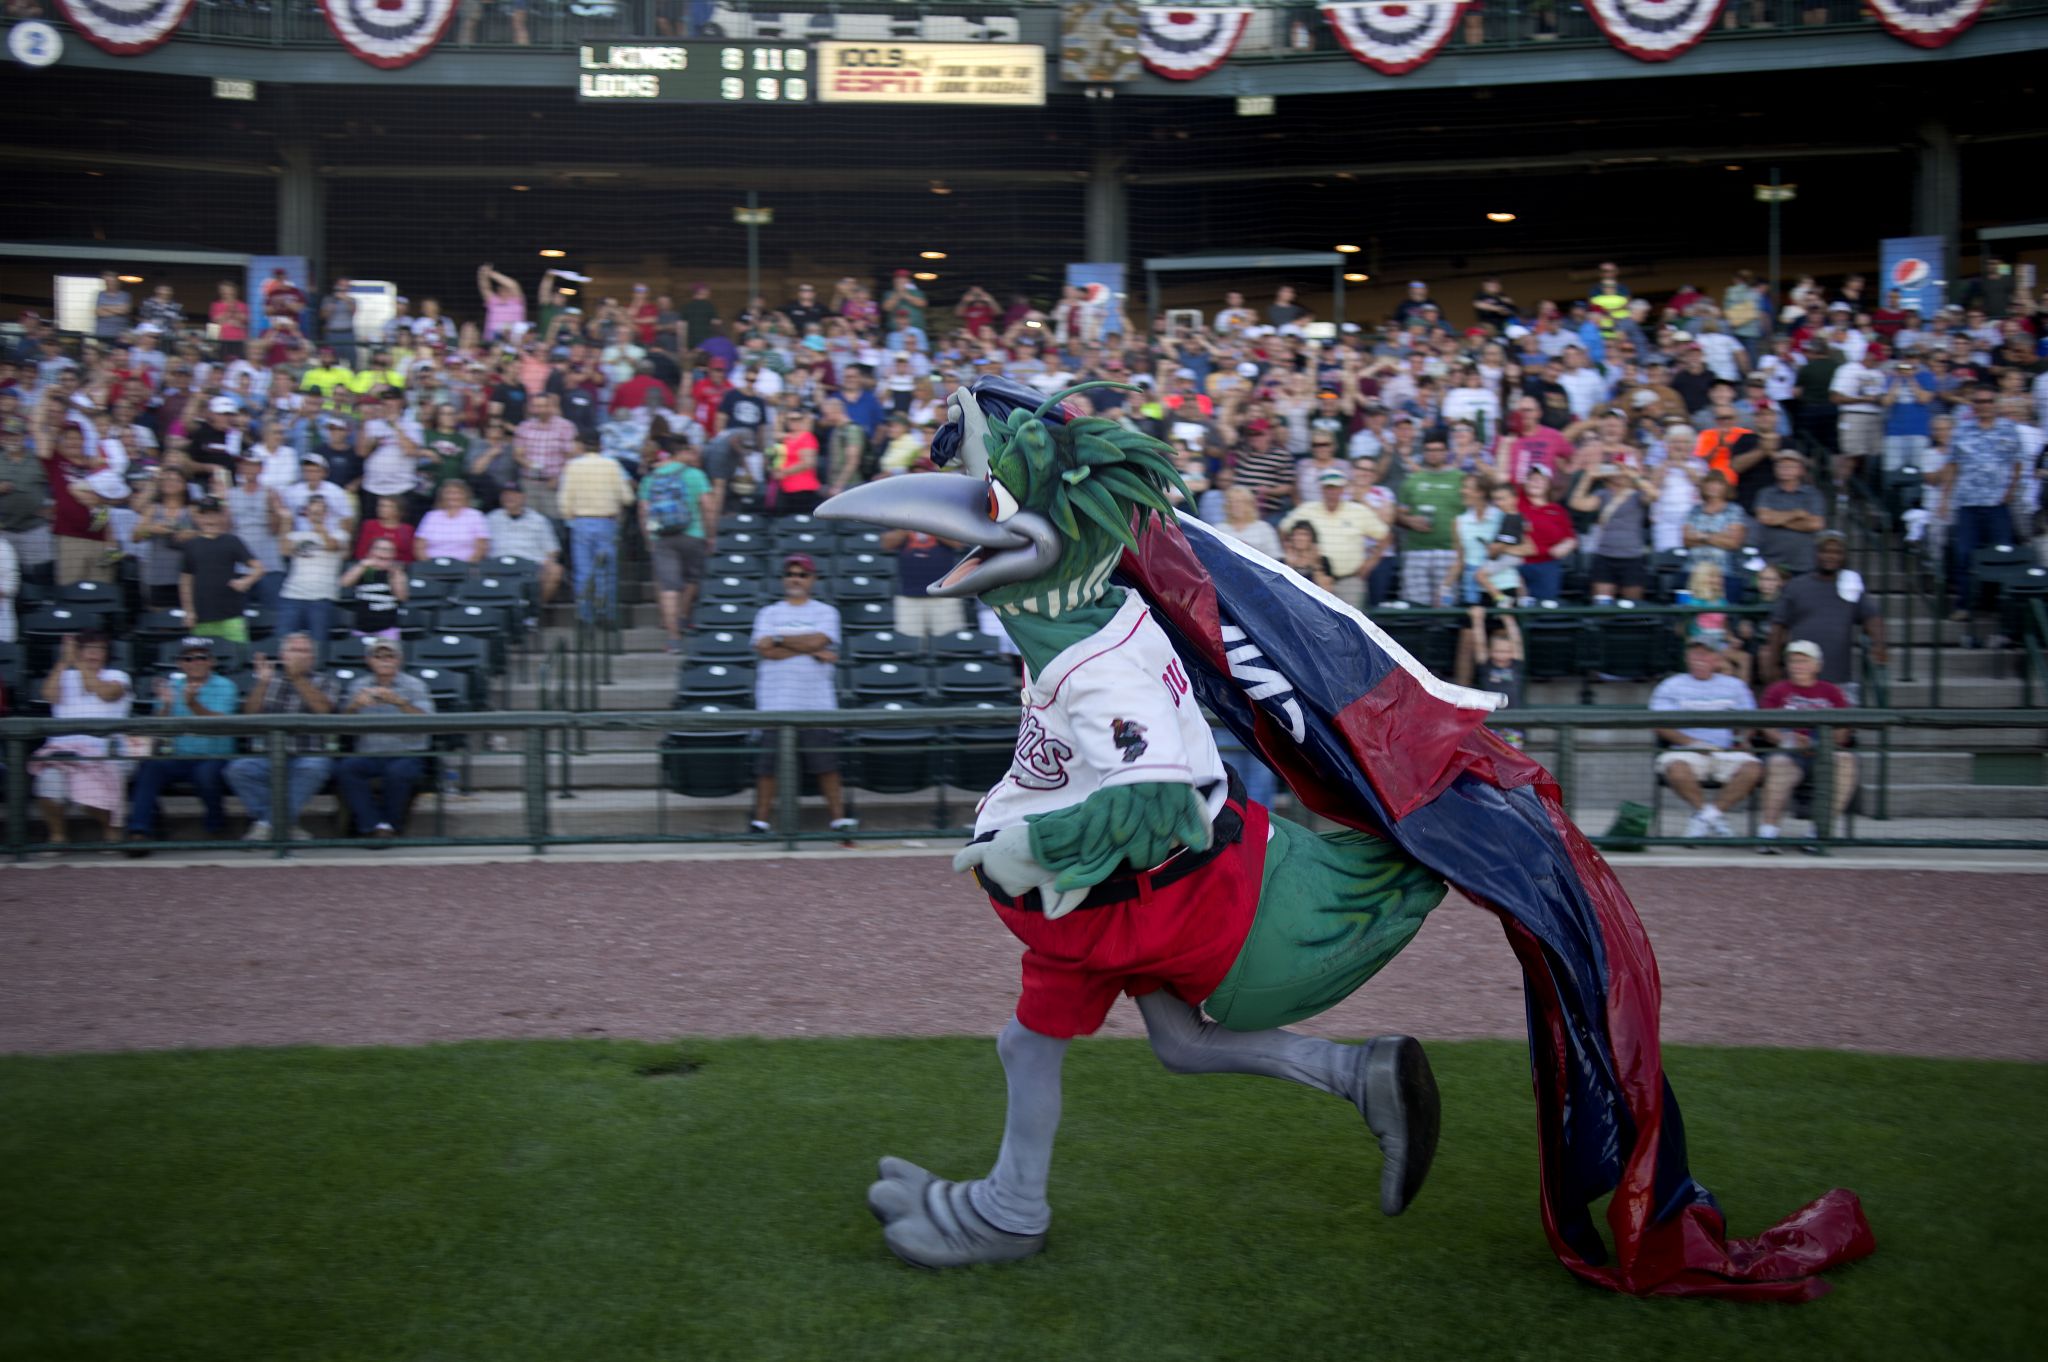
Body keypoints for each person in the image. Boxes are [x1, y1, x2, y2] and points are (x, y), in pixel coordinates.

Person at [748, 553, 856, 838]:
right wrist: (810, 649)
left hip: (815, 703)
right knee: (767, 769)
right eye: (791, 573)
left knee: (826, 766)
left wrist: (781, 639)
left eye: (802, 574)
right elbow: (764, 649)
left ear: (812, 579)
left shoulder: (825, 612)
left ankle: (838, 820)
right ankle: (760, 822)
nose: (795, 578)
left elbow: (820, 640)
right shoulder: (768, 613)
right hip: (774, 703)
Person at [121, 637, 239, 854]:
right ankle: (139, 831)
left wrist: (193, 703)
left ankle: (217, 822)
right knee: (149, 768)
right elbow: (158, 729)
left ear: (211, 661)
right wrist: (165, 706)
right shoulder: (173, 687)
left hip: (214, 757)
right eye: (189, 658)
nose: (196, 662)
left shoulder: (225, 685)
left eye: (201, 657)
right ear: (180, 664)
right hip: (178, 756)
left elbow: (222, 724)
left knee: (206, 775)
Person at [224, 632, 339, 843]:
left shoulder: (325, 682)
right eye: (294, 650)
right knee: (238, 770)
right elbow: (249, 714)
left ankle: (266, 825)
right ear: (282, 655)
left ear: (312, 657)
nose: (299, 656)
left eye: (305, 651)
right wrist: (261, 684)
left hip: (308, 754)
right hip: (268, 755)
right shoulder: (268, 680)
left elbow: (323, 710)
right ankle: (286, 824)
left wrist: (297, 678)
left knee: (313, 768)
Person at [30, 631, 132, 849]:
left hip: (106, 754)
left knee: (89, 791)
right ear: (79, 651)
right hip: (62, 753)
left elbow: (105, 693)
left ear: (107, 653)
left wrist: (77, 661)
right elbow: (48, 694)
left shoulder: (119, 676)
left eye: (99, 649)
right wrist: (63, 662)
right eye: (88, 648)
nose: (93, 654)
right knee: (48, 782)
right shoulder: (65, 676)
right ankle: (57, 837)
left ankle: (111, 831)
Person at [1649, 639, 1760, 839]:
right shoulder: (1671, 685)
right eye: (1695, 654)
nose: (1700, 659)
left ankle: (1707, 817)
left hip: (1727, 750)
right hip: (1687, 750)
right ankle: (1712, 818)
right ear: (1687, 658)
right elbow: (1660, 724)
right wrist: (1694, 744)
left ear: (1717, 659)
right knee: (1675, 769)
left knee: (1753, 769)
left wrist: (1742, 738)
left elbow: (1751, 721)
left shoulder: (1735, 685)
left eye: (1706, 654)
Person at [1933, 383, 2024, 621]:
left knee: (2003, 556)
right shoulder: (1962, 431)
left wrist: (2010, 491)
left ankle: (2003, 610)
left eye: (1988, 401)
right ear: (1973, 405)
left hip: (1997, 505)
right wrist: (1944, 499)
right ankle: (1964, 605)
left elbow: (2017, 464)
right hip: (1968, 504)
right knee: (1964, 556)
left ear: (1995, 404)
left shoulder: (2009, 429)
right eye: (1979, 402)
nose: (1984, 406)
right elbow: (1952, 466)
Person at [1755, 640, 1857, 853]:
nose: (1798, 665)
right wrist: (1790, 739)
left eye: (1804, 660)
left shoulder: (1831, 691)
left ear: (1817, 665)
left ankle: (1818, 832)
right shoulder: (1777, 690)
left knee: (1846, 761)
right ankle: (1768, 833)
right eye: (1794, 660)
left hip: (1824, 752)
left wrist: (1823, 742)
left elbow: (1844, 728)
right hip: (1790, 753)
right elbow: (1766, 727)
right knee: (1780, 763)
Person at [336, 637, 435, 841]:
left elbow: (428, 722)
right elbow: (341, 724)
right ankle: (373, 824)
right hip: (369, 753)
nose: (384, 660)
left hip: (406, 753)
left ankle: (389, 825)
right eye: (378, 656)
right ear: (369, 660)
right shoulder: (358, 686)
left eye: (390, 655)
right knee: (347, 768)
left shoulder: (414, 685)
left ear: (399, 660)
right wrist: (355, 706)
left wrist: (400, 702)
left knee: (398, 772)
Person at [1764, 531, 1885, 697]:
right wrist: (1773, 663)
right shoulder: (1797, 586)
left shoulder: (1851, 586)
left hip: (1839, 679)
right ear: (1816, 553)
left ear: (1844, 556)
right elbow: (1778, 625)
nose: (1830, 556)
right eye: (1825, 551)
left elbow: (1871, 616)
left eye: (1837, 552)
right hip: (1800, 678)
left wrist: (1878, 643)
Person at [639, 439, 713, 652]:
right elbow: (708, 506)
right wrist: (711, 535)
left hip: (662, 537)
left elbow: (643, 511)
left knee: (669, 588)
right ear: (682, 452)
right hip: (694, 534)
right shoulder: (695, 474)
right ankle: (682, 616)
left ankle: (673, 638)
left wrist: (649, 538)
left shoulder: (651, 478)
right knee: (692, 579)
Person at [557, 436, 636, 622]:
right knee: (606, 569)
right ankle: (607, 614)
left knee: (583, 570)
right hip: (606, 521)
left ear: (581, 445)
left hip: (581, 522)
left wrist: (570, 518)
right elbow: (627, 497)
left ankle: (586, 615)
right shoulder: (612, 465)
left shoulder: (572, 466)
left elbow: (564, 501)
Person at [1279, 468, 1381, 610]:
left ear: (1343, 489)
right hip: (1315, 577)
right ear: (1321, 489)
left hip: (1349, 579)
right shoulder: (1307, 509)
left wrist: (1370, 563)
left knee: (1351, 622)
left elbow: (1385, 536)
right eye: (1328, 488)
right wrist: (1293, 554)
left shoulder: (1359, 511)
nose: (1332, 492)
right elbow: (1283, 529)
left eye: (1336, 488)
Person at [179, 498, 266, 643]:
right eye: (205, 515)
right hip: (201, 618)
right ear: (198, 518)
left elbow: (259, 568)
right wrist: (189, 611)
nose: (210, 519)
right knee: (202, 660)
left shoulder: (232, 541)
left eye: (214, 514)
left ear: (221, 516)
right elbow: (186, 581)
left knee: (239, 659)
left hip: (232, 617)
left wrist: (246, 581)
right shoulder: (191, 545)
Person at [1568, 460, 1654, 602]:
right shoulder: (1603, 494)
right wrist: (1588, 477)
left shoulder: (1638, 495)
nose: (1619, 473)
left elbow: (1654, 494)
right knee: (1602, 603)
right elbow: (1576, 503)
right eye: (1616, 470)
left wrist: (1633, 475)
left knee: (1632, 604)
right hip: (1605, 555)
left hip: (1632, 557)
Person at [1395, 433, 1464, 605]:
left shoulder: (1460, 479)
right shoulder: (1412, 480)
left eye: (1438, 449)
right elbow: (1398, 513)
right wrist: (1409, 521)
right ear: (1424, 452)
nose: (1433, 453)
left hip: (1450, 552)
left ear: (1447, 451)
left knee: (1447, 606)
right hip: (1417, 551)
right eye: (1429, 450)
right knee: (1416, 606)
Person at [276, 494, 348, 645]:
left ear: (327, 513)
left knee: (317, 646)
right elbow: (284, 550)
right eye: (312, 512)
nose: (316, 515)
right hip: (292, 597)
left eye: (320, 512)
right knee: (283, 645)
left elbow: (331, 546)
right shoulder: (298, 535)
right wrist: (286, 522)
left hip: (321, 599)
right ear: (306, 513)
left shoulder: (340, 534)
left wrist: (318, 524)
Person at [485, 483, 563, 609]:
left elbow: (552, 550)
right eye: (506, 495)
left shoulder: (538, 520)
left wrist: (549, 562)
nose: (509, 498)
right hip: (499, 565)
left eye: (514, 495)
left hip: (530, 566)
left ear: (523, 497)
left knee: (555, 570)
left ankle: (535, 610)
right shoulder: (491, 519)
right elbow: (483, 545)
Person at [1751, 450, 1827, 576]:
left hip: (1803, 563)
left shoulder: (1813, 494)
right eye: (1781, 465)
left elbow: (1816, 524)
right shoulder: (1766, 493)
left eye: (1791, 466)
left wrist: (1778, 520)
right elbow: (1765, 518)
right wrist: (1796, 514)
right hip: (1771, 563)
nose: (1785, 469)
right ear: (1775, 469)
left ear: (1801, 470)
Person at [339, 536, 410, 638]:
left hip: (387, 630)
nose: (385, 553)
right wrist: (362, 566)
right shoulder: (366, 571)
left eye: (389, 550)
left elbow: (402, 597)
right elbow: (344, 583)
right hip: (361, 628)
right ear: (370, 552)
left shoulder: (396, 572)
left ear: (393, 554)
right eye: (380, 549)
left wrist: (394, 574)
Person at [415, 480, 490, 563]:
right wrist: (428, 565)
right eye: (448, 493)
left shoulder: (475, 515)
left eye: (457, 493)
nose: (452, 496)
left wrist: (467, 567)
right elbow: (419, 546)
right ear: (442, 496)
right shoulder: (431, 516)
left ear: (465, 495)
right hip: (433, 566)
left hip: (465, 567)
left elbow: (482, 546)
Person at [1214, 485, 1281, 560]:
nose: (1235, 505)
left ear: (1250, 504)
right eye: (1231, 502)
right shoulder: (1219, 529)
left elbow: (1275, 558)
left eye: (1240, 502)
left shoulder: (1263, 528)